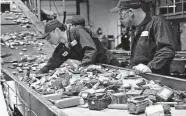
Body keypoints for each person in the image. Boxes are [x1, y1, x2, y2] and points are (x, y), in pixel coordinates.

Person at [111, 0, 175, 75]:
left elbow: (167, 51)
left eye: (121, 15)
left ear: (131, 12)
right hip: (140, 77)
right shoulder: (134, 29)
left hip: (157, 79)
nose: (120, 19)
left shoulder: (157, 23)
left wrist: (150, 67)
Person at [37, 16, 120, 74]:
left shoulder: (78, 32)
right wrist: (39, 73)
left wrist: (82, 66)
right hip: (97, 69)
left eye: (48, 37)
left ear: (57, 31)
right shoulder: (63, 48)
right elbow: (54, 62)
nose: (48, 40)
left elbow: (90, 49)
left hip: (109, 65)